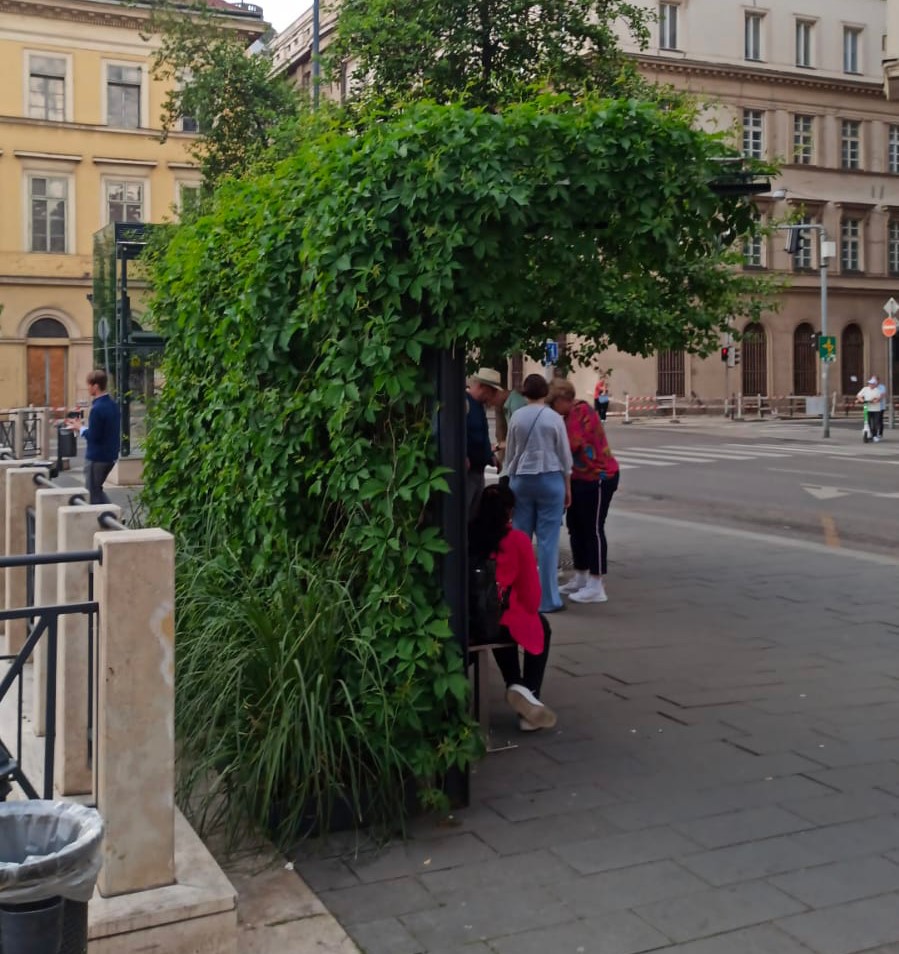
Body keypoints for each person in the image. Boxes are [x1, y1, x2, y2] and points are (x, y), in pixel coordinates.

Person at [469, 483, 556, 731]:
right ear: (509, 512)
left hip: (471, 619)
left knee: (496, 623)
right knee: (536, 625)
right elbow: (531, 595)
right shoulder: (516, 540)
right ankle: (528, 694)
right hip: (501, 617)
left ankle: (515, 684)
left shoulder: (467, 535)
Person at [503, 373, 572, 614]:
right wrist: (567, 487)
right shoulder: (554, 418)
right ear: (545, 393)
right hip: (551, 479)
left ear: (524, 393)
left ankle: (520, 596)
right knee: (548, 541)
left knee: (521, 539)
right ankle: (549, 599)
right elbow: (564, 456)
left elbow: (510, 453)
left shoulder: (517, 417)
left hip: (521, 480)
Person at [548, 379, 620, 603]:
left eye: (553, 404)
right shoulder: (569, 415)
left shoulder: (581, 412)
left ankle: (597, 584)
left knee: (593, 529)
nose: (552, 409)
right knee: (576, 526)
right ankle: (580, 577)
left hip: (598, 477)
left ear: (562, 400)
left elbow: (571, 445)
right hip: (581, 478)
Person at [67, 369, 121, 504]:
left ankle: (112, 516)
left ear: (95, 386)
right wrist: (83, 428)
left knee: (92, 493)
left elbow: (94, 436)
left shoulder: (97, 409)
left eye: (89, 385)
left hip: (96, 458)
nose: (88, 388)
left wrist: (80, 428)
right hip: (111, 455)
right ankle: (114, 516)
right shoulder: (113, 405)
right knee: (97, 490)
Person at [466, 368, 504, 517]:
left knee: (474, 513)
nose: (493, 396)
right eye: (492, 391)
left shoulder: (479, 406)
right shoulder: (465, 403)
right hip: (469, 471)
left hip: (478, 469)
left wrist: (491, 456)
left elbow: (481, 435)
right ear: (482, 387)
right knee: (465, 512)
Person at [857, 376, 884, 442]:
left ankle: (874, 435)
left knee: (875, 423)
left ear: (875, 384)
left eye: (872, 384)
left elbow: (878, 398)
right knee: (867, 422)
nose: (870, 385)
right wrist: (861, 400)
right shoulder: (865, 389)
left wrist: (875, 400)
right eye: (869, 383)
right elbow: (858, 395)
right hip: (867, 408)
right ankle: (869, 434)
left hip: (876, 409)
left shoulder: (877, 390)